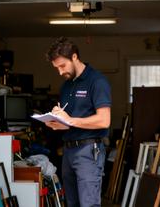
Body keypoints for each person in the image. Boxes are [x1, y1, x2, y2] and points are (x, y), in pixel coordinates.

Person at [43, 37, 112, 207]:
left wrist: (70, 120)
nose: (60, 72)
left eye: (62, 66)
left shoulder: (97, 81)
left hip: (88, 152)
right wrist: (57, 121)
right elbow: (71, 121)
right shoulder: (67, 85)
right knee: (72, 203)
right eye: (56, 68)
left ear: (74, 57)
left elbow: (104, 120)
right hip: (68, 151)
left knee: (88, 204)